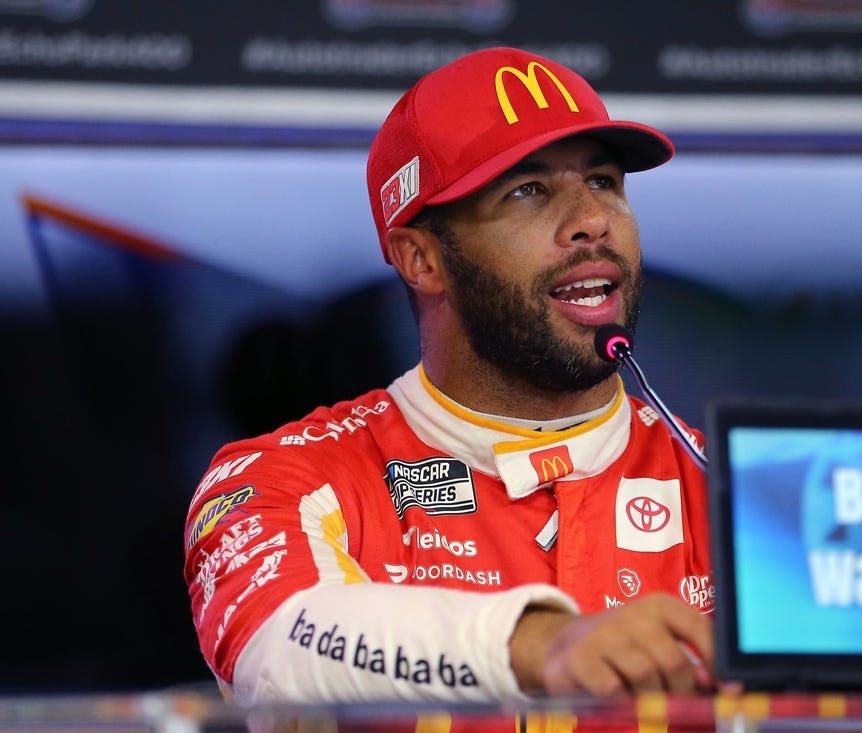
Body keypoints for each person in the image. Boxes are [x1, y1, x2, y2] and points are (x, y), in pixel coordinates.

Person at [183, 46, 714, 714]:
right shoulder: (283, 477)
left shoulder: (732, 489)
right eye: (529, 190)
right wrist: (539, 642)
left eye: (604, 181)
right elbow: (278, 645)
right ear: (421, 259)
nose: (593, 219)